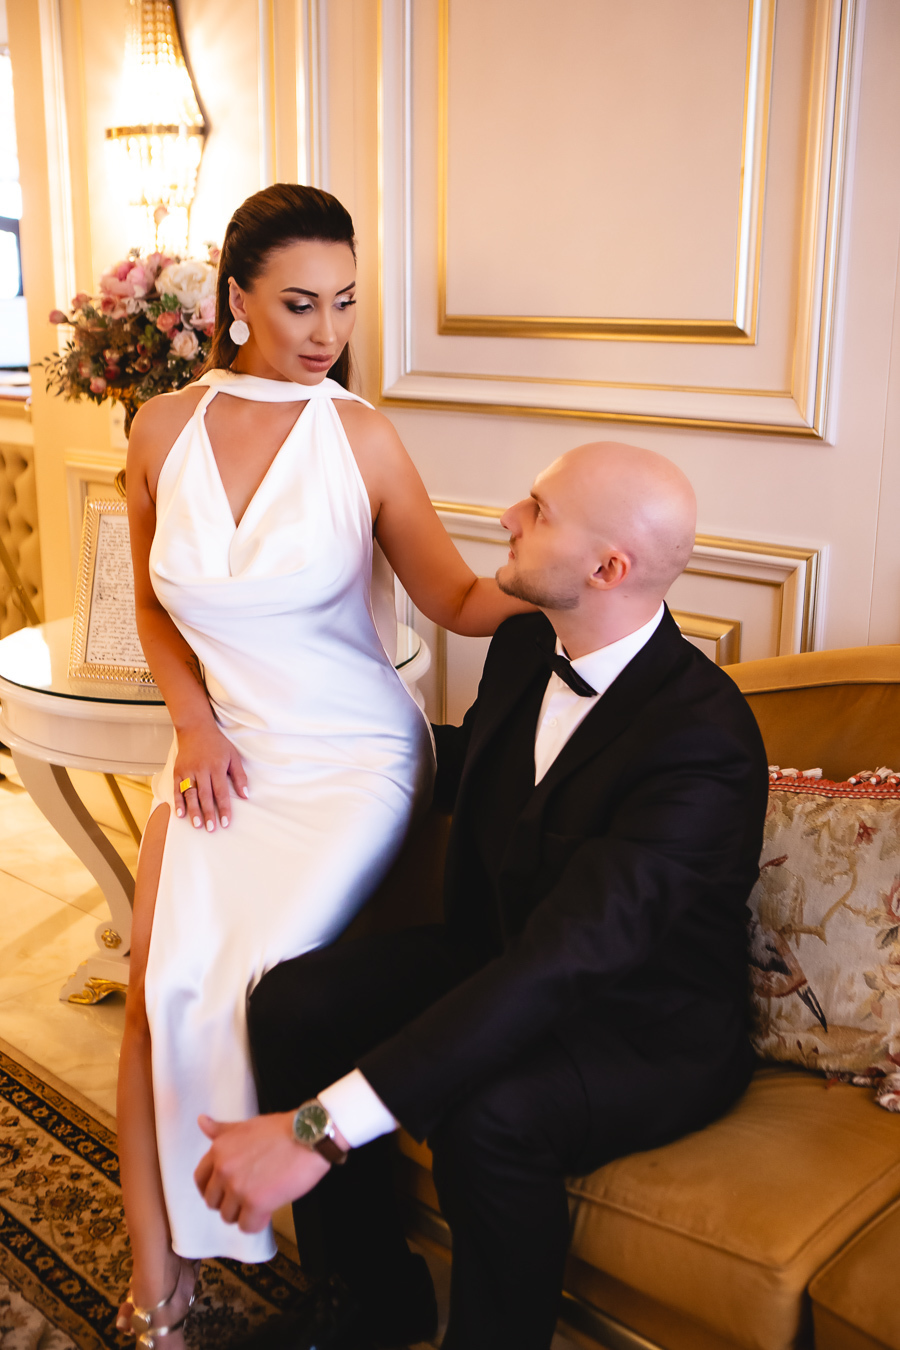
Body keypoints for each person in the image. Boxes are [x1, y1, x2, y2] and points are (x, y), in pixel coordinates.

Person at [193, 440, 771, 1350]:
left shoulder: (703, 745)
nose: (508, 517)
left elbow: (564, 962)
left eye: (538, 510)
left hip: (640, 1025)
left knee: (489, 1118)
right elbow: (468, 767)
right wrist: (293, 756)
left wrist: (313, 1132)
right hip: (498, 950)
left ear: (607, 569)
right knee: (296, 1002)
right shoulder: (527, 643)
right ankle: (371, 1298)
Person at [117, 183, 531, 1348]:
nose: (328, 332)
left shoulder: (360, 437)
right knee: (156, 986)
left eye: (345, 303)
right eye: (300, 303)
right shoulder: (160, 429)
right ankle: (159, 1276)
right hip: (221, 746)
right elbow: (151, 607)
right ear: (235, 296)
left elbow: (455, 597)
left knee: (248, 984)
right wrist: (195, 724)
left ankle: (319, 1251)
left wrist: (572, 578)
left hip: (351, 759)